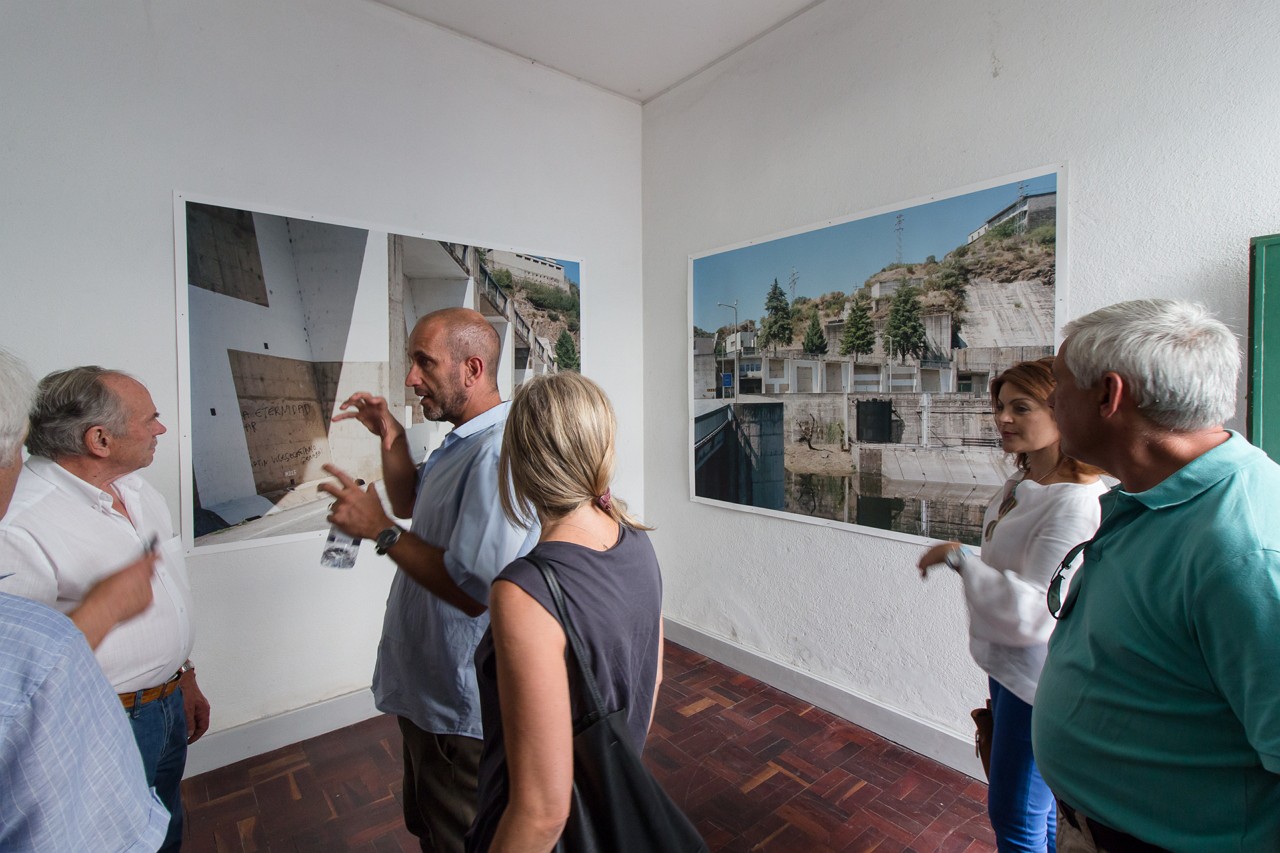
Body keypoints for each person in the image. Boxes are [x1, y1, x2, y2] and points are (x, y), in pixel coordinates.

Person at [1033, 299, 1280, 852]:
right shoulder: (1152, 498)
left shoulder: (1247, 554)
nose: (1051, 401)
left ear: (1108, 395)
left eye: (1058, 385)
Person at [322, 307, 539, 853]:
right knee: (431, 830)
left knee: (461, 838)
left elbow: (475, 591)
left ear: (471, 369)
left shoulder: (496, 455)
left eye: (423, 362)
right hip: (429, 687)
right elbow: (409, 501)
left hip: (458, 702)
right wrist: (390, 433)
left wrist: (381, 533)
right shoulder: (464, 436)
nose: (410, 378)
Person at [0, 365, 209, 852]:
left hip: (169, 705)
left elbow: (169, 598)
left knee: (164, 827)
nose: (160, 429)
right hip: (103, 721)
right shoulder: (19, 522)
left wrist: (185, 675)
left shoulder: (139, 491)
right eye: (150, 419)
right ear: (100, 439)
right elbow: (17, 678)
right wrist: (104, 609)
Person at [464, 371, 664, 852]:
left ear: (522, 463)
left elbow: (541, 815)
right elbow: (650, 680)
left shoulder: (524, 591)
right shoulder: (638, 542)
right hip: (608, 814)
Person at [918, 357, 1106, 853]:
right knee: (1038, 816)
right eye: (1000, 407)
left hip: (1038, 681)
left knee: (1016, 817)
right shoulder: (1024, 486)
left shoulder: (1076, 503)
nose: (1002, 418)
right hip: (1009, 670)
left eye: (1020, 408)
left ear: (1060, 410)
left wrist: (959, 559)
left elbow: (1033, 610)